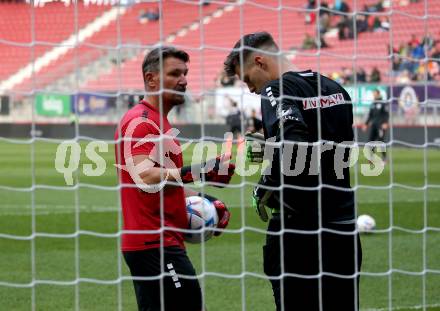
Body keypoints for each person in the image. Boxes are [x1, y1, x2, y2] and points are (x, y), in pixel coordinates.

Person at [224, 31, 362, 311]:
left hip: (300, 231)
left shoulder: (277, 89)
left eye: (248, 80)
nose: (251, 89)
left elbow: (295, 143)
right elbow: (334, 150)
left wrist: (266, 183)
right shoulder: (335, 88)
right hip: (343, 226)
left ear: (260, 62)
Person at [115, 46, 235, 311]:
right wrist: (200, 170)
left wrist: (207, 200)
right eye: (174, 74)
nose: (184, 80)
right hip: (154, 244)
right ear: (151, 79)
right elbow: (144, 176)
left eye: (185, 73)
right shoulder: (142, 121)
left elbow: (165, 186)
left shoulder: (160, 122)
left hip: (156, 242)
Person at [363, 89, 389, 161]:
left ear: (378, 94)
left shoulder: (383, 103)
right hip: (373, 125)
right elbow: (370, 115)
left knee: (381, 141)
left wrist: (385, 123)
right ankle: (371, 157)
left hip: (380, 126)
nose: (373, 95)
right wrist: (366, 124)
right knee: (370, 141)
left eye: (374, 94)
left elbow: (386, 114)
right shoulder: (373, 104)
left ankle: (384, 158)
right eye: (373, 94)